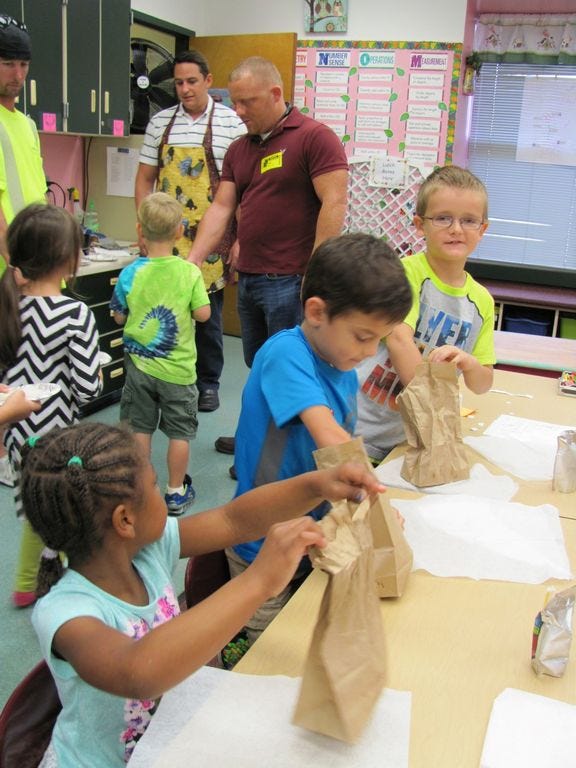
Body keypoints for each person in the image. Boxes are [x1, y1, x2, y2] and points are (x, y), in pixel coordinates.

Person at [22, 421, 386, 768]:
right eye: (154, 485)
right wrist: (258, 581)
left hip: (172, 741)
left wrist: (316, 486)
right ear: (125, 521)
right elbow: (136, 672)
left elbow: (234, 521)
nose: (161, 488)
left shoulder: (147, 550)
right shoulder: (65, 613)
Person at [227, 233, 413, 645]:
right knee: (264, 646)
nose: (370, 351)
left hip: (312, 530)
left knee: (306, 629)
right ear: (316, 311)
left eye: (379, 340)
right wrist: (374, 498)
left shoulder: (342, 362)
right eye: (363, 337)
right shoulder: (285, 354)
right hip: (263, 535)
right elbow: (330, 437)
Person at [187, 56, 349, 457]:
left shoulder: (314, 137)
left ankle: (272, 457)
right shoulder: (240, 149)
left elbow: (334, 202)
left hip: (292, 280)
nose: (238, 111)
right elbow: (222, 208)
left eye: (247, 102)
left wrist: (317, 276)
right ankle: (251, 440)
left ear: (276, 94)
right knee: (259, 367)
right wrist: (190, 263)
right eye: (234, 102)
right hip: (251, 278)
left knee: (289, 371)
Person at [355, 165, 496, 463]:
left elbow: (483, 383)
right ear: (420, 225)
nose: (456, 229)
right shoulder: (405, 273)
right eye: (443, 218)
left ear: (482, 229)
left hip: (409, 442)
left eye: (469, 220)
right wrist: (435, 415)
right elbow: (399, 341)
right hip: (360, 428)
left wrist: (470, 364)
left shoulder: (482, 301)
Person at [0, 204, 102, 608]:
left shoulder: (8, 304)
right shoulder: (75, 313)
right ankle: (48, 579)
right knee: (62, 504)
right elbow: (87, 387)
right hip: (58, 434)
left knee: (35, 500)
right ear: (69, 260)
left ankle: (30, 581)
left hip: (16, 430)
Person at [135, 49, 246, 414]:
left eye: (192, 81)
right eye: (179, 82)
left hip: (210, 237)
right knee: (161, 308)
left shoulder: (232, 124)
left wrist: (241, 238)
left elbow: (243, 189)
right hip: (165, 236)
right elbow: (145, 178)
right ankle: (162, 376)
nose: (184, 89)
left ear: (209, 81)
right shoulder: (159, 123)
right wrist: (143, 224)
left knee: (207, 315)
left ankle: (207, 383)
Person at [111, 192, 210, 516]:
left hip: (139, 367)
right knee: (179, 433)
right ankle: (175, 492)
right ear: (180, 230)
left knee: (140, 428)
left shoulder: (130, 273)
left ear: (140, 231)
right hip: (179, 372)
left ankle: (143, 489)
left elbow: (119, 317)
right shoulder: (189, 273)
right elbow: (204, 314)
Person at [0, 14, 47, 487]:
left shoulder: (25, 124)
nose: (17, 74)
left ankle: (15, 450)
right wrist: (14, 262)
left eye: (23, 64)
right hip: (9, 265)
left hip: (31, 262)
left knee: (20, 361)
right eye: (7, 63)